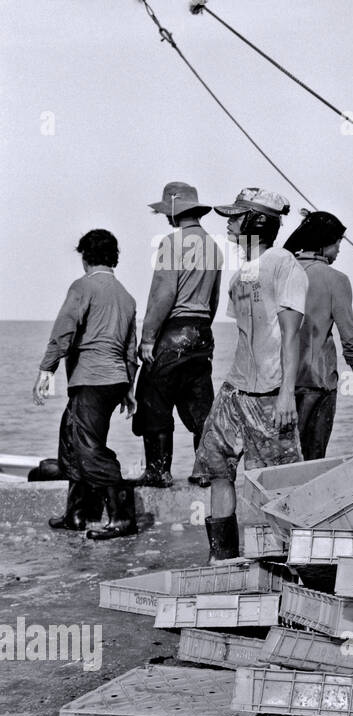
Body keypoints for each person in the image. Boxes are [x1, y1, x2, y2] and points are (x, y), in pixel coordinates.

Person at [193, 188, 307, 561]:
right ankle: (220, 557)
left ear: (257, 222)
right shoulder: (239, 274)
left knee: (274, 481)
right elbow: (245, 336)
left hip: (270, 393)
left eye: (236, 216)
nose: (228, 222)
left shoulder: (284, 263)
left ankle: (277, 559)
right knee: (217, 468)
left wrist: (287, 393)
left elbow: (292, 334)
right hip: (235, 391)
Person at [33, 230, 141, 539]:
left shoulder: (82, 287)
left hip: (91, 380)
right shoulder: (126, 296)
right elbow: (130, 350)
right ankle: (76, 514)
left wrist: (46, 369)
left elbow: (64, 328)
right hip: (114, 380)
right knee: (71, 439)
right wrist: (128, 388)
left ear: (85, 257)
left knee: (89, 450)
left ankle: (123, 518)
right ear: (113, 258)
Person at [133, 181, 223, 487]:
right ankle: (207, 471)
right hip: (202, 332)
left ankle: (159, 472)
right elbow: (214, 299)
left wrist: (147, 338)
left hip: (173, 332)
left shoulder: (171, 243)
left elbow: (163, 294)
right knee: (200, 405)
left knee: (154, 399)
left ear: (173, 212)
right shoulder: (213, 245)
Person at [281, 210, 353, 459]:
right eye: (337, 243)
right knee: (311, 459)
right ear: (323, 243)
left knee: (279, 460)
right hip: (316, 383)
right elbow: (350, 339)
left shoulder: (280, 271)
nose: (339, 250)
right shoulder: (335, 280)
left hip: (276, 384)